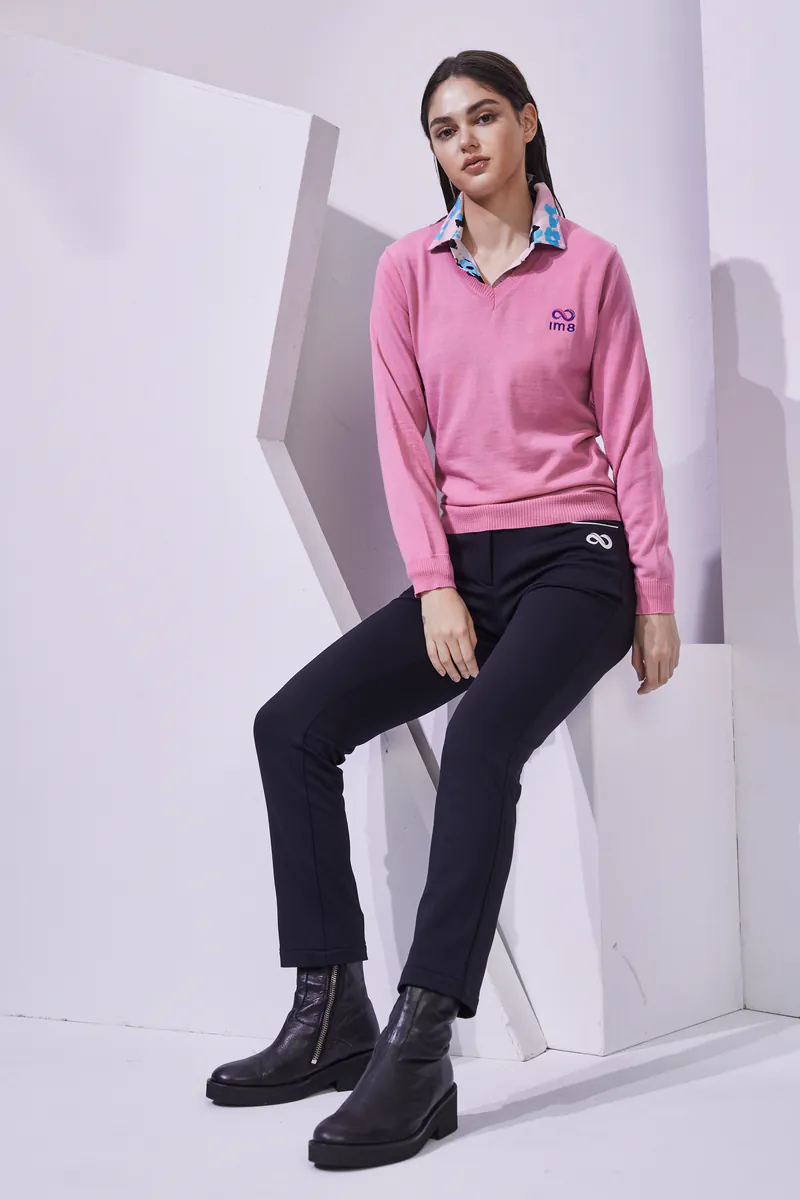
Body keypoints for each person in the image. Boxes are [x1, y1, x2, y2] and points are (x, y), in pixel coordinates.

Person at [206, 49, 681, 1170]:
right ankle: (332, 1010)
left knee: (480, 740)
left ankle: (421, 1047)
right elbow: (401, 443)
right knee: (292, 727)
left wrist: (653, 595)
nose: (464, 141)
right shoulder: (408, 273)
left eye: (483, 117)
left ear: (527, 123)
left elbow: (631, 438)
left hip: (579, 559)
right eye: (441, 128)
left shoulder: (590, 267)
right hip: (462, 568)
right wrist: (432, 586)